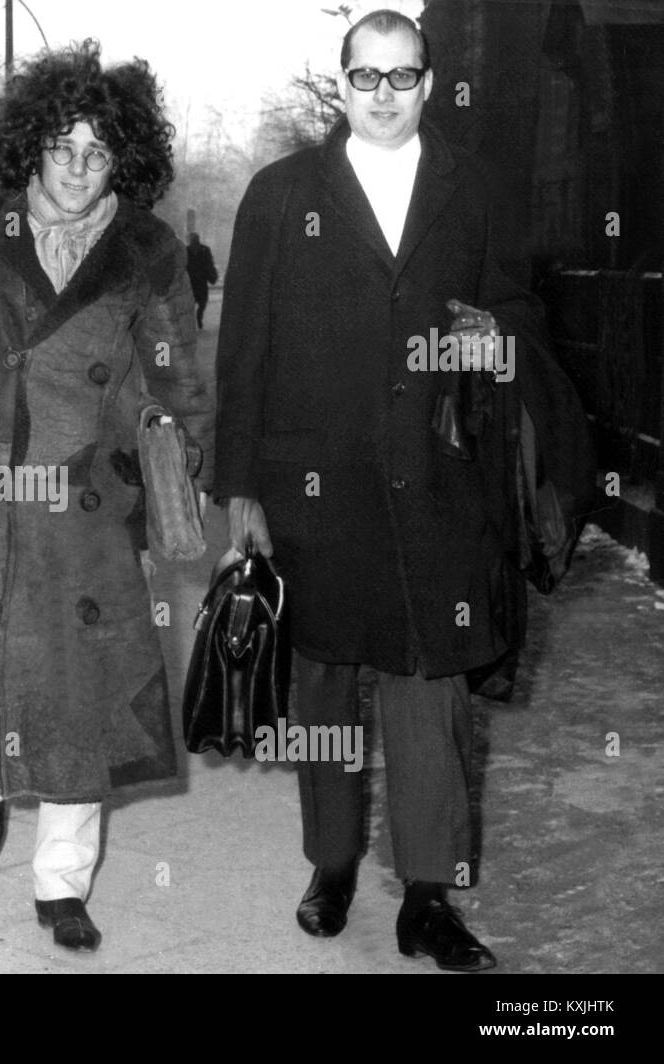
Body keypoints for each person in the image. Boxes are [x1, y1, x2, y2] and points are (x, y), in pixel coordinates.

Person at [216, 10, 591, 972]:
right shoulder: (280, 193)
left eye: (402, 75)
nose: (383, 93)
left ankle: (429, 896)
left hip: (437, 482)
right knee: (326, 689)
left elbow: (517, 310)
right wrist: (239, 493)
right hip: (314, 488)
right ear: (339, 84)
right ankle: (332, 864)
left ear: (428, 84)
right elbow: (242, 354)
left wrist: (486, 335)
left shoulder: (473, 189)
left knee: (432, 700)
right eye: (365, 75)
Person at [0, 40, 214, 952]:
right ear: (31, 144)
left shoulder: (147, 249)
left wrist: (183, 467)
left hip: (90, 503)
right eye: (61, 144)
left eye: (98, 151)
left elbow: (179, 377)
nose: (75, 165)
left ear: (122, 162)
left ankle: (62, 885)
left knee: (75, 692)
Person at [185, 232, 219, 329]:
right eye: (192, 239)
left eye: (195, 239)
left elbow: (209, 263)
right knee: (191, 303)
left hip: (201, 280)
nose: (194, 241)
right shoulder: (186, 251)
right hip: (191, 281)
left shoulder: (204, 250)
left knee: (202, 302)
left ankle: (199, 319)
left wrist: (212, 275)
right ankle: (193, 322)